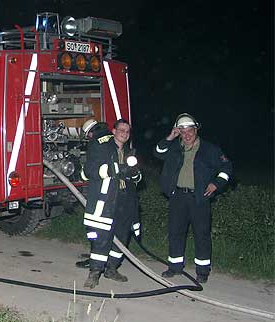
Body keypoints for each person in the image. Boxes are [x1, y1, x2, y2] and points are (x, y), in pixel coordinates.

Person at [153, 113, 232, 283]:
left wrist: (216, 184)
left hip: (199, 198)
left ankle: (202, 271)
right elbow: (158, 152)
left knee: (201, 234)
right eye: (183, 132)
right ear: (179, 132)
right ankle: (175, 267)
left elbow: (227, 167)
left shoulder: (209, 149)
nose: (187, 135)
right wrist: (170, 136)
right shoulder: (174, 147)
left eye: (190, 131)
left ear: (196, 130)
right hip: (178, 197)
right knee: (175, 232)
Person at [80, 118, 142, 289]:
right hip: (107, 200)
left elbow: (137, 178)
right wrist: (116, 169)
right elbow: (89, 171)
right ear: (113, 131)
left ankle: (111, 269)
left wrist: (135, 174)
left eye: (127, 131)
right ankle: (94, 273)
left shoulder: (129, 152)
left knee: (122, 236)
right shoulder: (102, 148)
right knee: (102, 238)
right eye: (121, 130)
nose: (124, 133)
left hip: (125, 200)